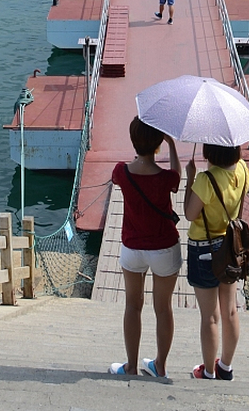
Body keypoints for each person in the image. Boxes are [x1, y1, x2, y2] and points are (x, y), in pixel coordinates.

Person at [108, 117, 181, 379]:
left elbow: (121, 174)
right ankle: (160, 365)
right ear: (158, 143)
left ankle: (130, 366)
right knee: (163, 309)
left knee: (132, 305)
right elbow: (177, 178)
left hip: (133, 248)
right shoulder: (166, 178)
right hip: (164, 248)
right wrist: (171, 144)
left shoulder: (121, 172)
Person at [183, 142, 249, 381]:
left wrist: (190, 179)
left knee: (210, 317)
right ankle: (225, 367)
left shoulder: (205, 179)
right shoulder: (243, 169)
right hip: (229, 248)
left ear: (209, 151)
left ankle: (209, 372)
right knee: (230, 310)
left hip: (203, 249)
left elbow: (189, 214)